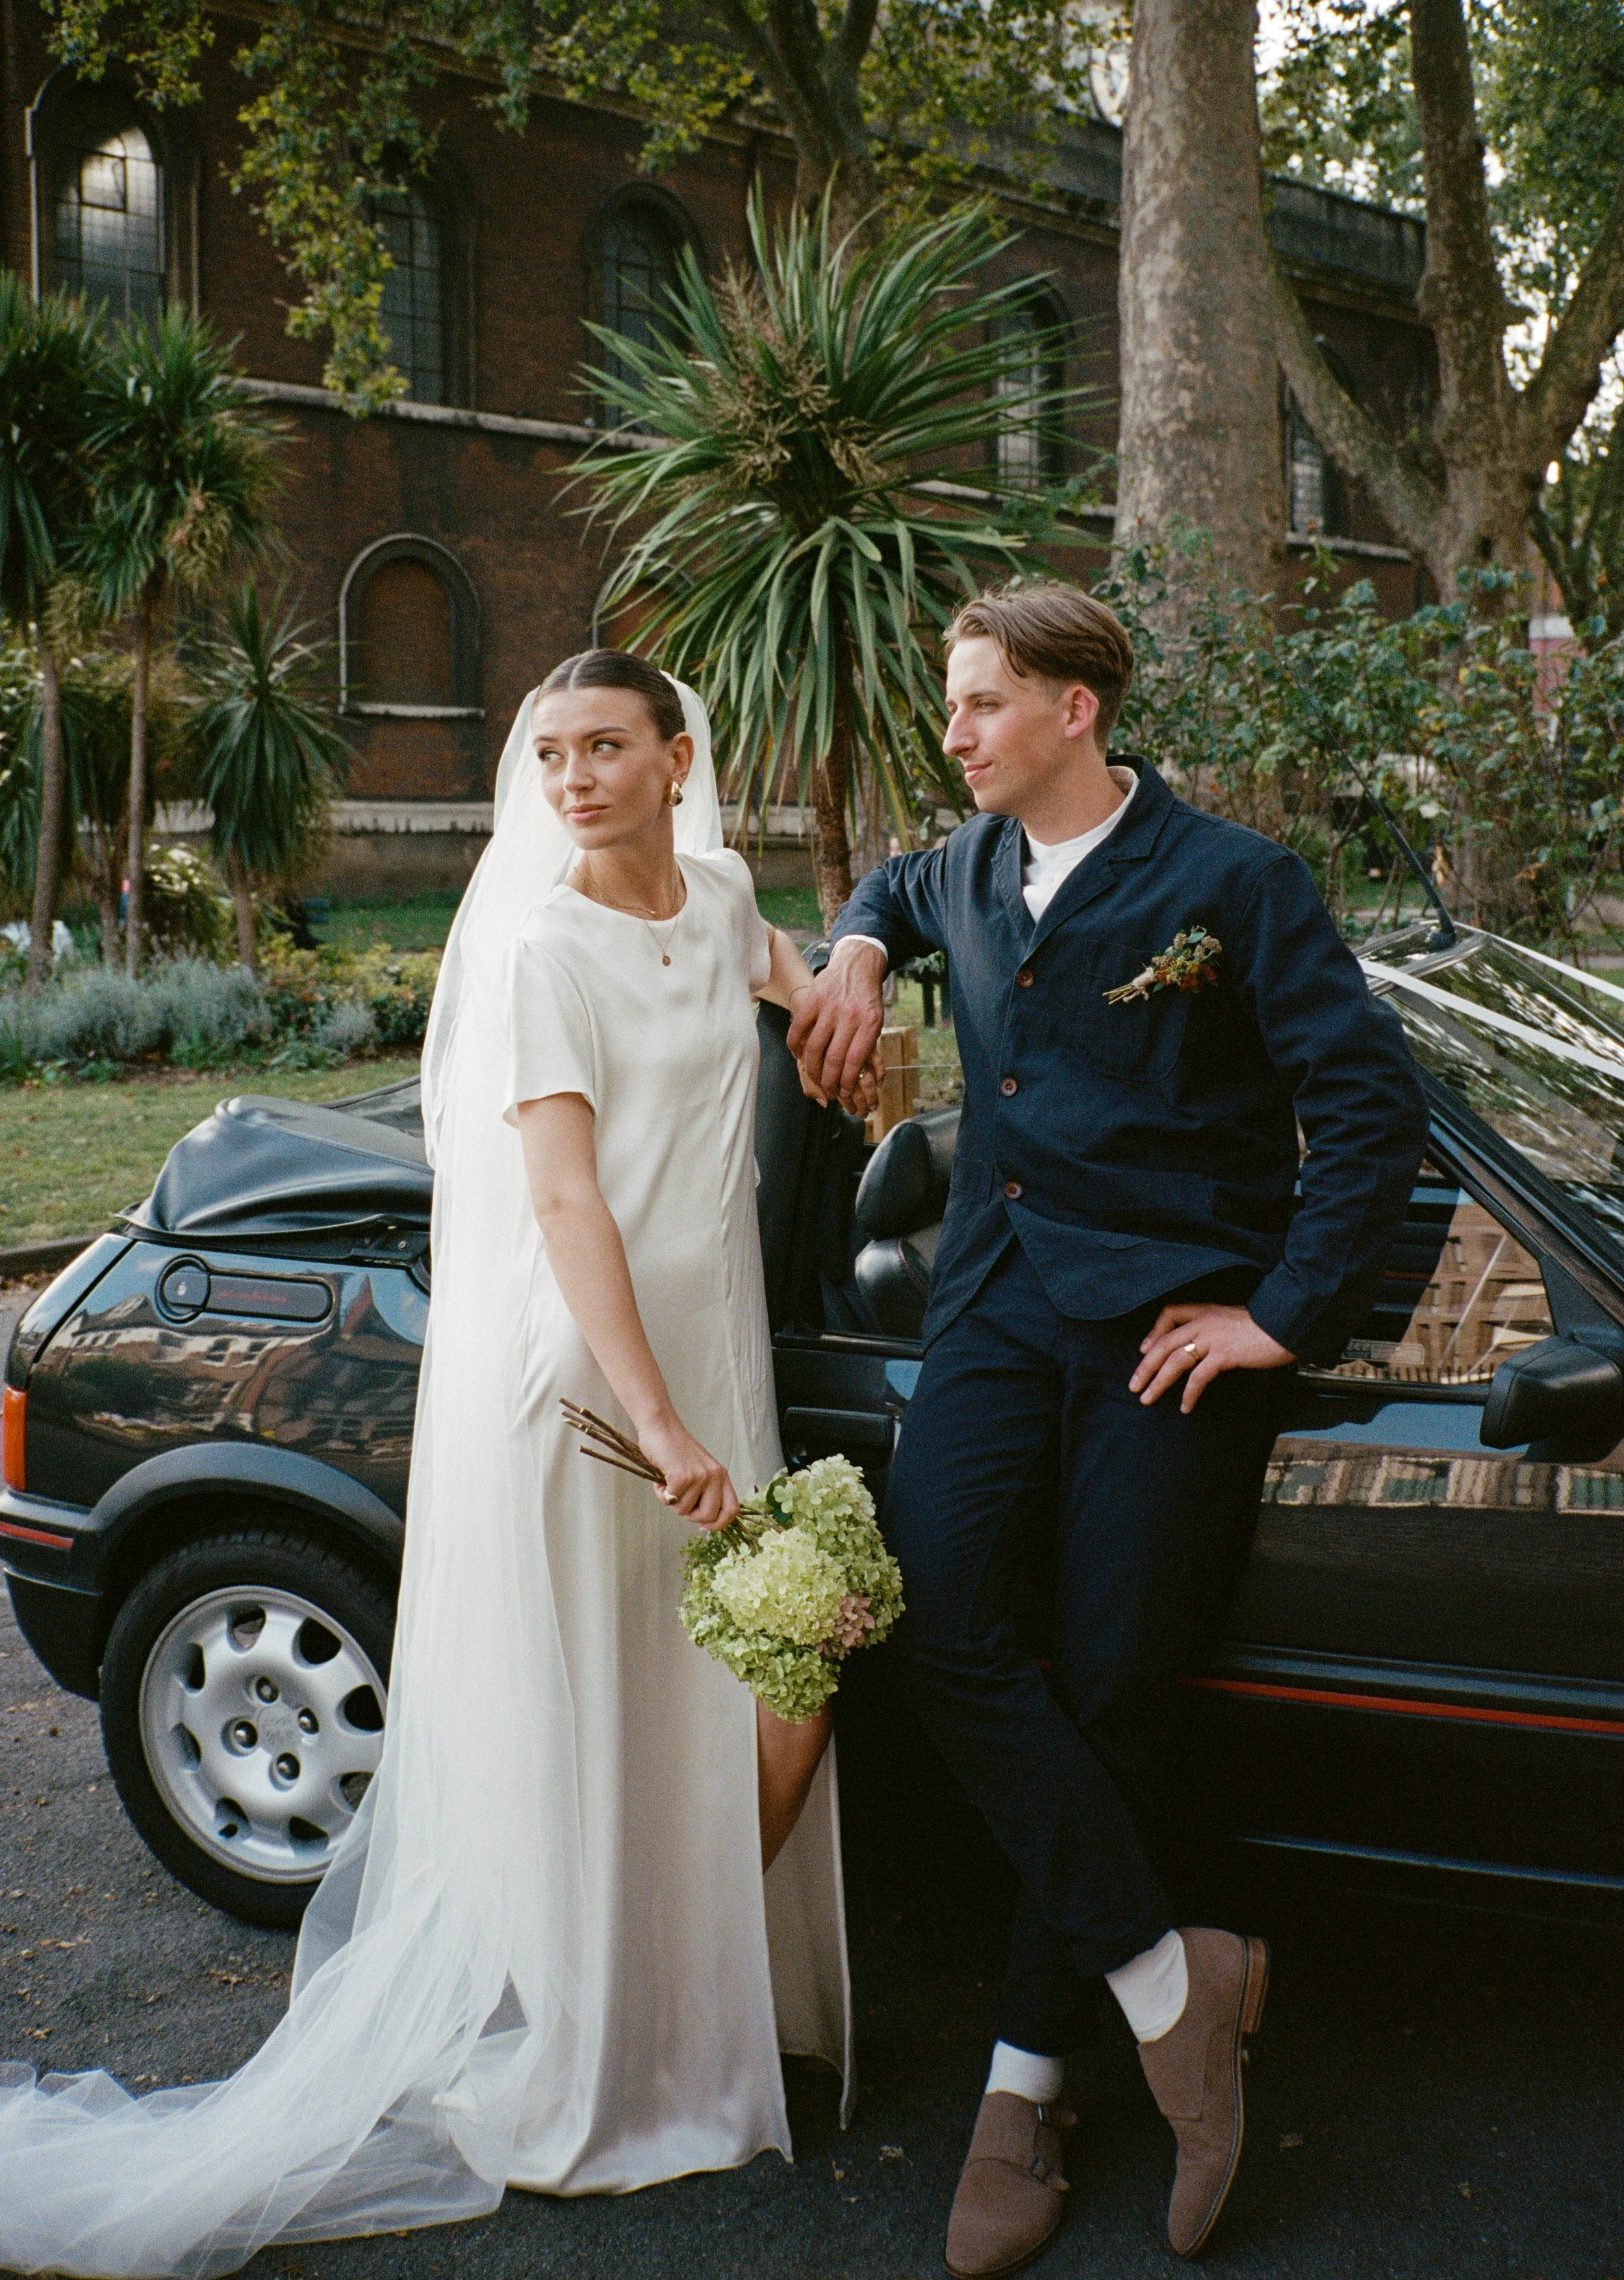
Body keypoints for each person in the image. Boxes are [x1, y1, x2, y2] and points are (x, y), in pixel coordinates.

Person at [0, 653, 852, 2278]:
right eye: (548, 754)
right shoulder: (537, 948)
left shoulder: (725, 886)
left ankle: (699, 2012)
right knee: (609, 1704)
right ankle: (615, 2059)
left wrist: (839, 997)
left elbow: (768, 963)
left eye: (604, 748)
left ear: (679, 762)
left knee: (728, 1684)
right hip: (600, 1380)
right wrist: (660, 1420)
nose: (572, 778)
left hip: (720, 1351)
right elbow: (562, 1207)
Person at [789, 581, 1429, 2274]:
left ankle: (1020, 2085)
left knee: (1114, 1684)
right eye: (951, 704)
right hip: (992, 1306)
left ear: (1076, 709)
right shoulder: (971, 866)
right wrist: (857, 943)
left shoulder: (1230, 886)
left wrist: (1279, 1313)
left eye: (980, 704)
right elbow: (892, 889)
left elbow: (1365, 1103)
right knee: (941, 1628)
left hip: (1168, 1337)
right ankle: (1174, 1981)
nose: (953, 732)